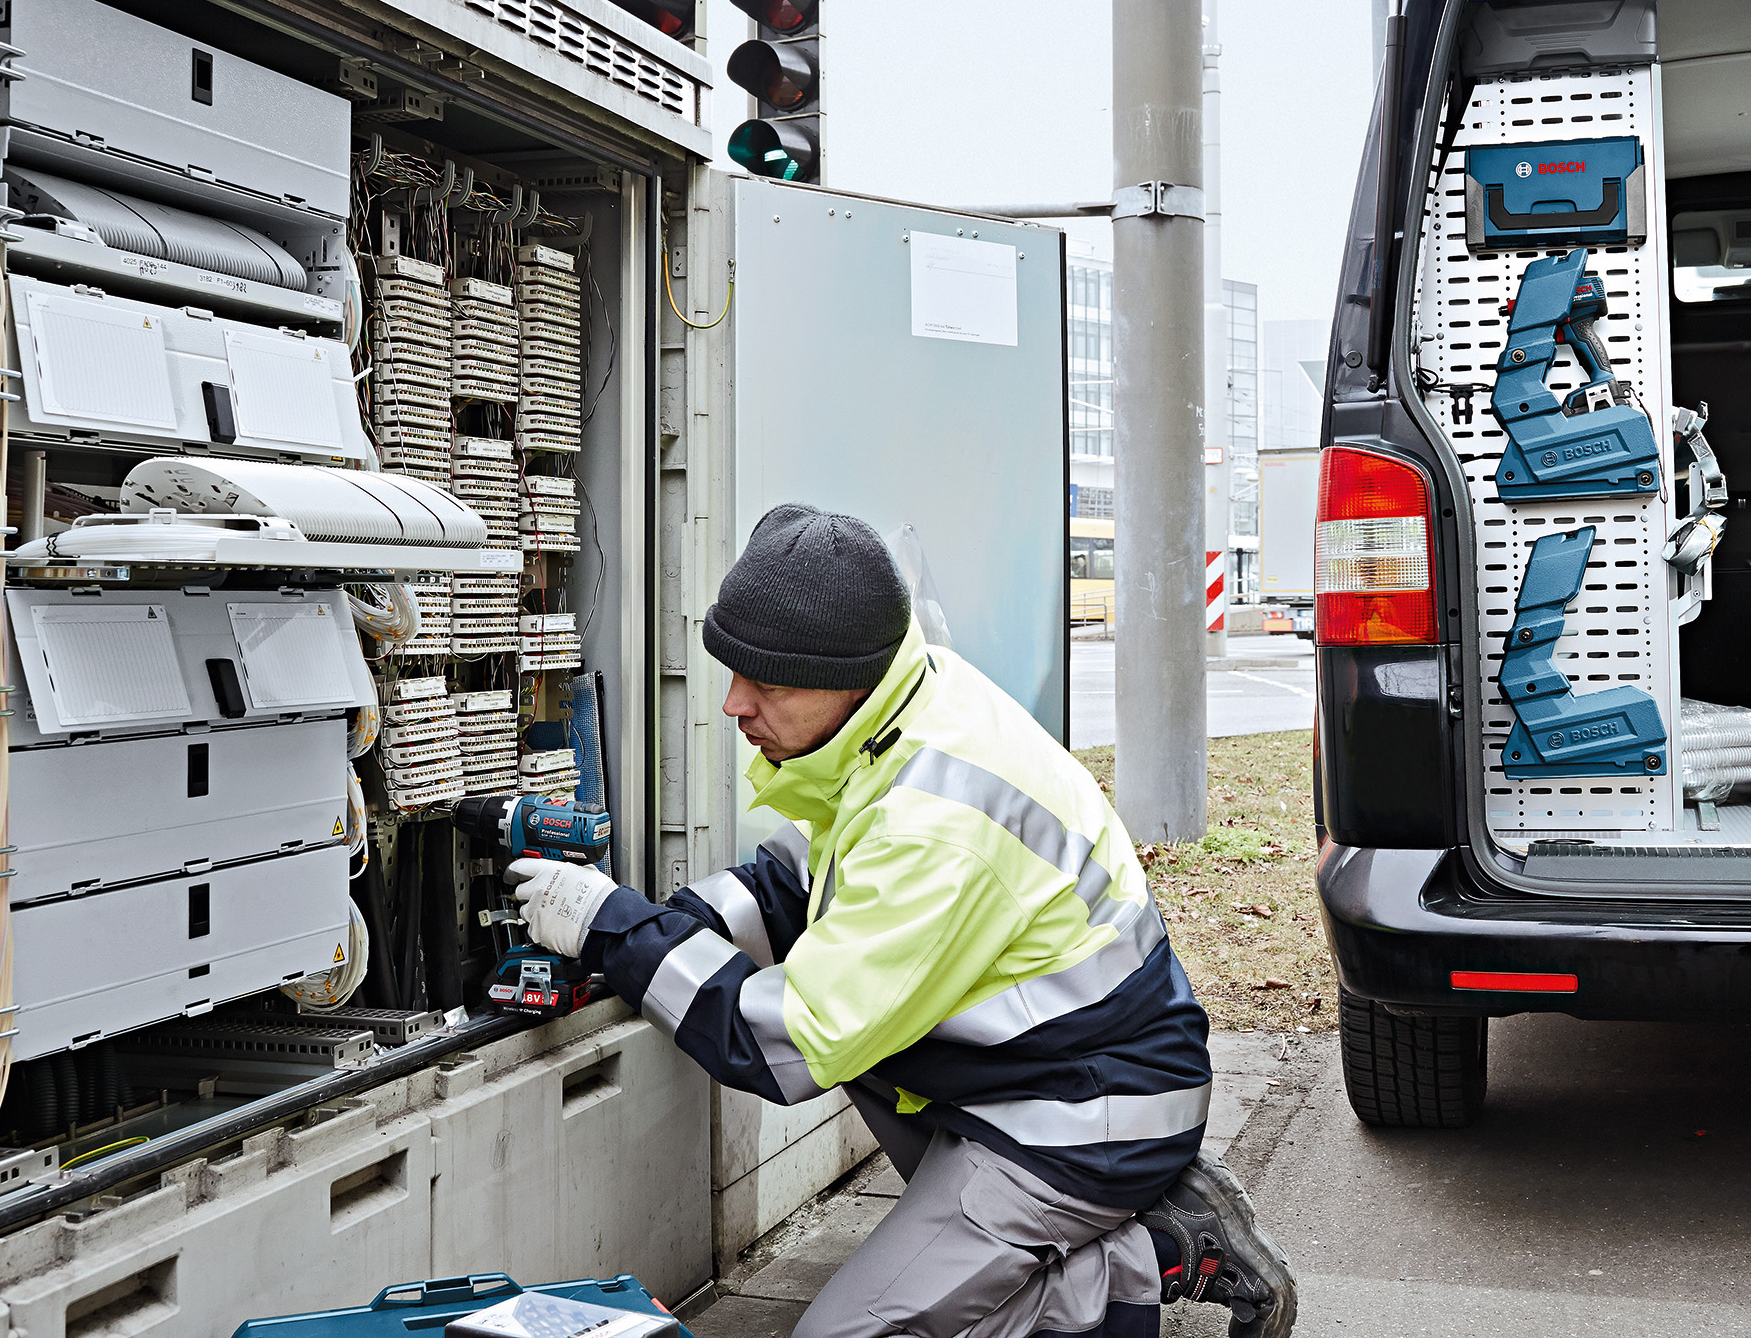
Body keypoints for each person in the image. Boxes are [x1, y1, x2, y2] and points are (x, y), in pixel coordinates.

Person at [509, 504, 1296, 1338]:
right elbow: (796, 884)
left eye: (766, 682)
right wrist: (678, 921)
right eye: (734, 670)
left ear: (845, 677)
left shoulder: (937, 818)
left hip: (1085, 1114)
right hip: (1037, 1075)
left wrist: (617, 931)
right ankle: (1078, 1224)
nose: (736, 701)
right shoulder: (904, 706)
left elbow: (786, 1043)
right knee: (854, 1017)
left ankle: (1155, 1255)